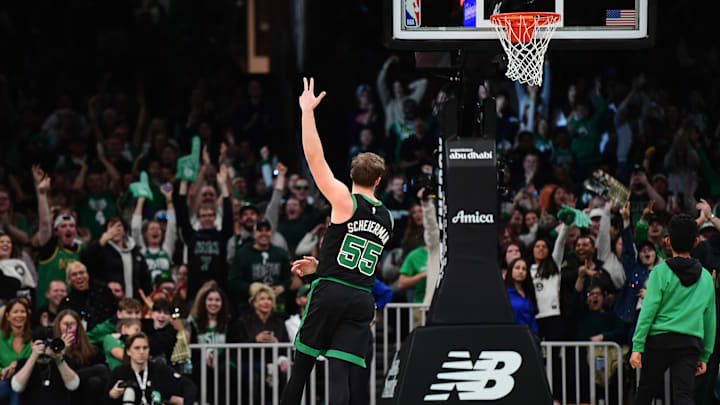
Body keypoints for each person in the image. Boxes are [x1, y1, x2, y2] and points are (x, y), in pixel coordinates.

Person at [280, 78, 393, 405]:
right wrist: (320, 266)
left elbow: (315, 160)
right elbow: (355, 254)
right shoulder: (388, 216)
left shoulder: (345, 201)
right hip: (361, 298)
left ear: (352, 175)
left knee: (301, 369)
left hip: (331, 292)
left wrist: (306, 113)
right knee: (341, 376)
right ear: (379, 180)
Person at [631, 214, 716, 405]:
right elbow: (710, 319)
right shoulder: (705, 278)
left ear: (667, 241)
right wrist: (706, 354)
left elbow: (648, 311)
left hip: (659, 340)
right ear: (696, 242)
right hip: (689, 343)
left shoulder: (659, 272)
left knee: (644, 393)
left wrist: (637, 346)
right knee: (684, 396)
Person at [174, 164, 233, 298]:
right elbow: (182, 214)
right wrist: (183, 183)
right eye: (204, 215)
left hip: (219, 291)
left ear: (215, 217)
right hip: (195, 292)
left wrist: (223, 185)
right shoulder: (192, 236)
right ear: (199, 218)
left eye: (210, 215)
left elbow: (228, 215)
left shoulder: (222, 236)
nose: (207, 218)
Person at [33, 165, 84, 310]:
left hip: (73, 309)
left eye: (71, 226)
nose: (68, 228)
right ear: (55, 231)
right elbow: (44, 224)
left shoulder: (82, 249)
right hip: (46, 309)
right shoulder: (49, 248)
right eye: (63, 226)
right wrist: (41, 194)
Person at [228, 218, 292, 314]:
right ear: (254, 233)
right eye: (260, 230)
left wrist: (282, 287)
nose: (264, 233)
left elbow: (289, 278)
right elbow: (233, 280)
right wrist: (251, 288)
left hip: (277, 306)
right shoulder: (243, 253)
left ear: (272, 233)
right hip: (249, 307)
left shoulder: (281, 253)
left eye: (267, 230)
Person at [80, 217, 151, 301]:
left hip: (134, 301)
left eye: (119, 226)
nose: (115, 230)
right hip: (108, 301)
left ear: (125, 231)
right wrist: (103, 239)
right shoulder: (101, 250)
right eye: (111, 226)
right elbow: (85, 258)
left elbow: (145, 279)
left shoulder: (135, 252)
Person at [107, 332, 186, 405]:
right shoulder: (119, 372)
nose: (141, 352)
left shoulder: (160, 369)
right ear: (128, 351)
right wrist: (112, 394)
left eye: (145, 348)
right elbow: (105, 399)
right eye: (137, 348)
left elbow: (186, 385)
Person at [52, 309, 109, 405]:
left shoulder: (88, 347)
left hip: (84, 390)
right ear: (59, 325)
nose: (69, 327)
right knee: (100, 369)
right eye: (66, 324)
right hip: (62, 385)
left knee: (96, 380)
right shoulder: (53, 346)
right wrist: (63, 349)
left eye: (72, 324)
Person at [10, 331, 79, 405]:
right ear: (32, 345)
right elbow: (17, 387)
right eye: (40, 344)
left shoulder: (64, 361)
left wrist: (58, 359)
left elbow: (73, 386)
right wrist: (34, 356)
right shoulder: (23, 363)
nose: (45, 348)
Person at [131, 184, 177, 283]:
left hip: (166, 292)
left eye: (158, 229)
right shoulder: (142, 251)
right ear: (145, 234)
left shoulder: (167, 250)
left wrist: (169, 200)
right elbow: (135, 229)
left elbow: (172, 227)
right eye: (152, 229)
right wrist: (141, 201)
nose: (155, 231)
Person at [58, 261, 116, 331]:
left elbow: (114, 314)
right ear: (69, 280)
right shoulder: (67, 302)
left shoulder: (103, 292)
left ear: (87, 275)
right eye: (74, 274)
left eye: (81, 273)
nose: (79, 277)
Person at [0, 299, 32, 405]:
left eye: (22, 311)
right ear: (8, 316)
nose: (20, 315)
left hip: (28, 383)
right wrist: (4, 371)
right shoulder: (0, 338)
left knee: (17, 385)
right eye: (15, 312)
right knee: (14, 385)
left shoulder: (34, 339)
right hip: (3, 382)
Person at [504, 258, 538, 335]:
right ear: (510, 271)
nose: (521, 271)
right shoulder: (504, 293)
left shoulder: (529, 294)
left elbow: (532, 319)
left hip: (529, 338)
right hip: (510, 336)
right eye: (517, 268)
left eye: (524, 269)